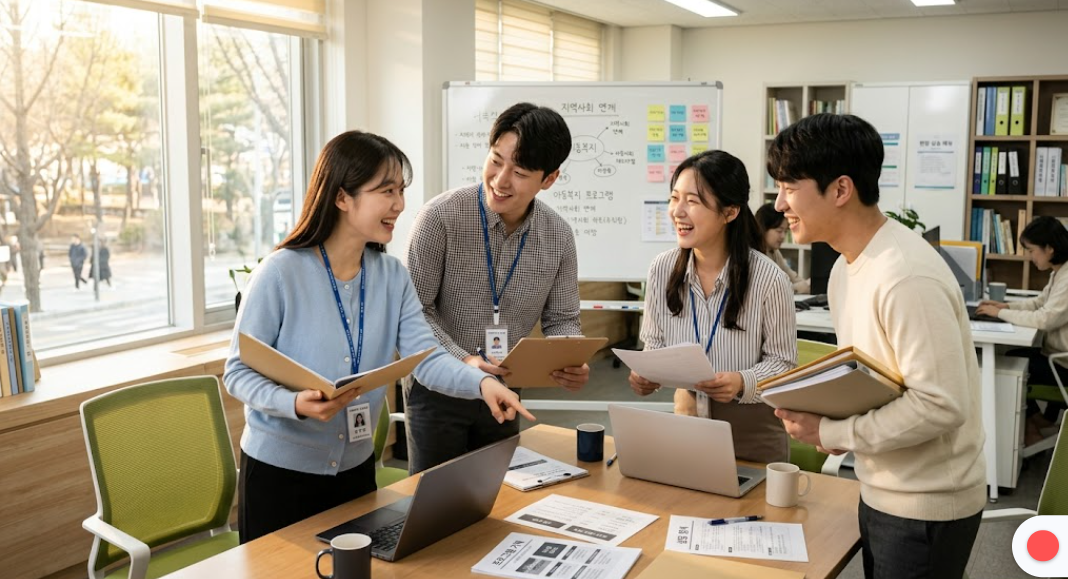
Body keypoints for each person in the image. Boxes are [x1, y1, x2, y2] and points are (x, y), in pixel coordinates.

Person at [223, 131, 532, 544]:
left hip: (355, 470)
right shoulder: (280, 273)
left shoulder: (391, 277)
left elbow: (427, 357)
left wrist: (482, 383)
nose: (399, 205)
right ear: (341, 197)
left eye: (401, 191)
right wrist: (293, 403)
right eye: (386, 191)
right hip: (281, 477)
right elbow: (237, 373)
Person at [768, 113, 985, 579]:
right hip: (882, 486)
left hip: (925, 504)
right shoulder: (848, 267)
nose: (779, 202)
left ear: (841, 190)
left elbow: (940, 405)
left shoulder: (905, 276)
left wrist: (832, 434)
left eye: (788, 186)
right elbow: (875, 379)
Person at [405, 102, 588, 474]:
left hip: (506, 385)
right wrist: (464, 362)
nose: (500, 180)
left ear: (549, 179)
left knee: (497, 496)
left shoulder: (558, 236)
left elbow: (562, 319)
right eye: (495, 160)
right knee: (434, 506)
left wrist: (569, 357)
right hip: (437, 388)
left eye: (519, 172)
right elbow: (414, 313)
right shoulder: (440, 218)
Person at [627, 150, 795, 463]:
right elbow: (654, 345)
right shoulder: (661, 270)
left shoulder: (768, 278)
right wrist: (646, 373)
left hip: (751, 430)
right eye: (674, 198)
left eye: (692, 201)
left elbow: (784, 364)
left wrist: (742, 381)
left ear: (730, 212)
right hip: (686, 422)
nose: (677, 211)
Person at [977, 215, 1068, 444]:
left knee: (1004, 367)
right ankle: (1037, 424)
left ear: (1049, 249)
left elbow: (1045, 319)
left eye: (1032, 250)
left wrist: (1000, 314)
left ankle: (1031, 432)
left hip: (1062, 363)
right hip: (1055, 356)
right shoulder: (1060, 271)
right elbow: (1039, 303)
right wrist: (1006, 306)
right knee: (1011, 357)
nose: (1030, 257)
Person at [755, 202, 809, 293]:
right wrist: (798, 287)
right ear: (763, 228)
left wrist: (804, 285)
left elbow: (793, 277)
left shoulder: (774, 251)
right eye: (779, 231)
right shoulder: (754, 255)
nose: (783, 236)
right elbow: (770, 290)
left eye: (785, 231)